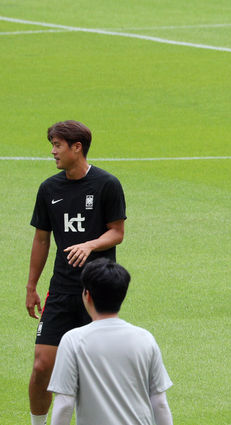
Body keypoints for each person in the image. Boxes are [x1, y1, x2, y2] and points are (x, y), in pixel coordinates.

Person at [25, 120, 126, 425]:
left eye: (57, 145)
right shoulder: (49, 188)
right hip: (61, 290)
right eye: (52, 145)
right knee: (42, 365)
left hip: (98, 291)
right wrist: (32, 286)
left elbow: (117, 232)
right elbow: (42, 239)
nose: (53, 152)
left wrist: (90, 245)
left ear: (76, 147)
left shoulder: (107, 184)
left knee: (96, 370)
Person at [48, 258, 173, 425]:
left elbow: (64, 404)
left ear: (87, 295)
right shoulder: (145, 339)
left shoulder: (73, 340)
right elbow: (159, 403)